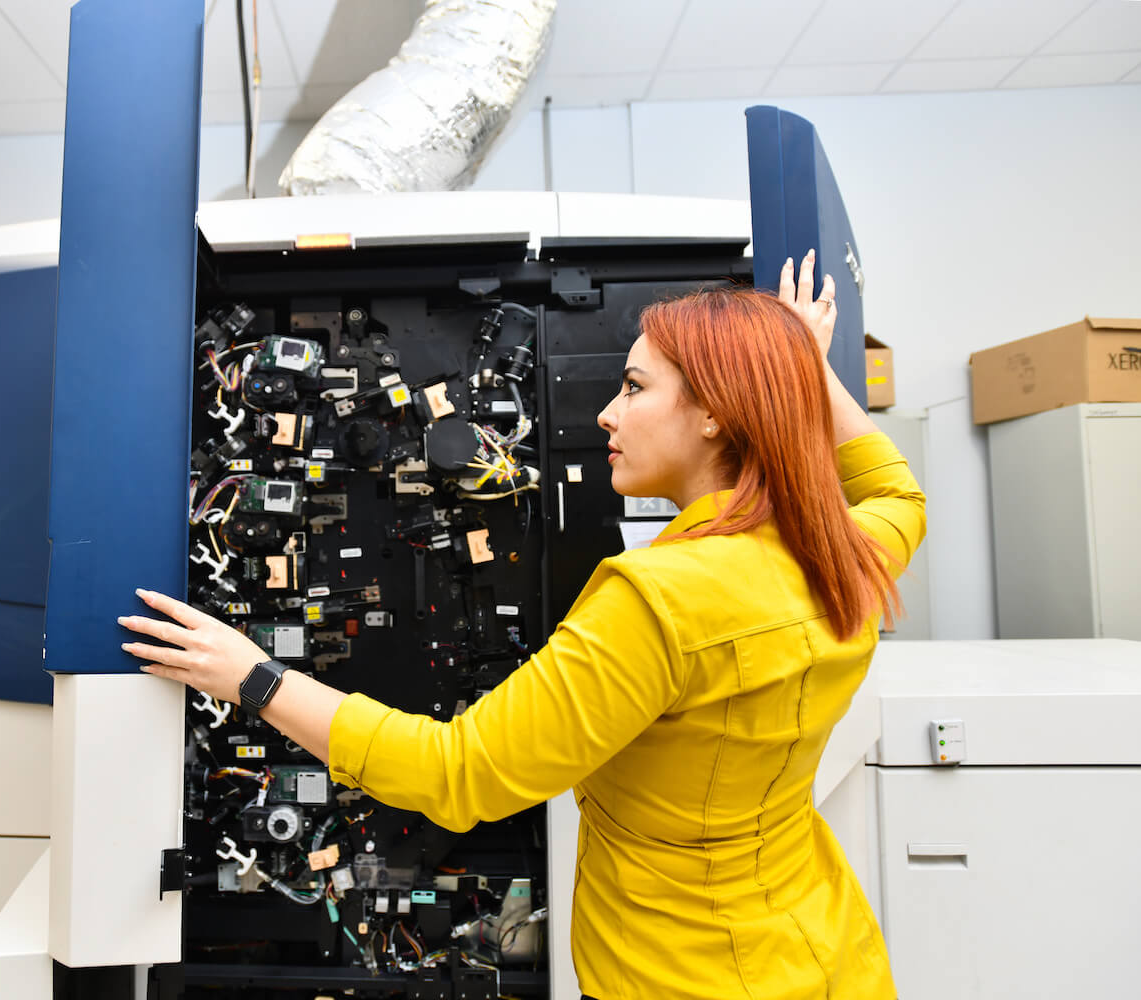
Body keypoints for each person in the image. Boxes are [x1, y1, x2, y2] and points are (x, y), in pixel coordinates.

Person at [118, 250, 925, 1000]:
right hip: (827, 954)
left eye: (636, 388)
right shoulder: (841, 553)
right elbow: (897, 494)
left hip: (692, 976)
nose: (608, 413)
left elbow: (457, 773)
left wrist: (253, 676)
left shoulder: (660, 601)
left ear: (717, 413)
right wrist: (800, 368)